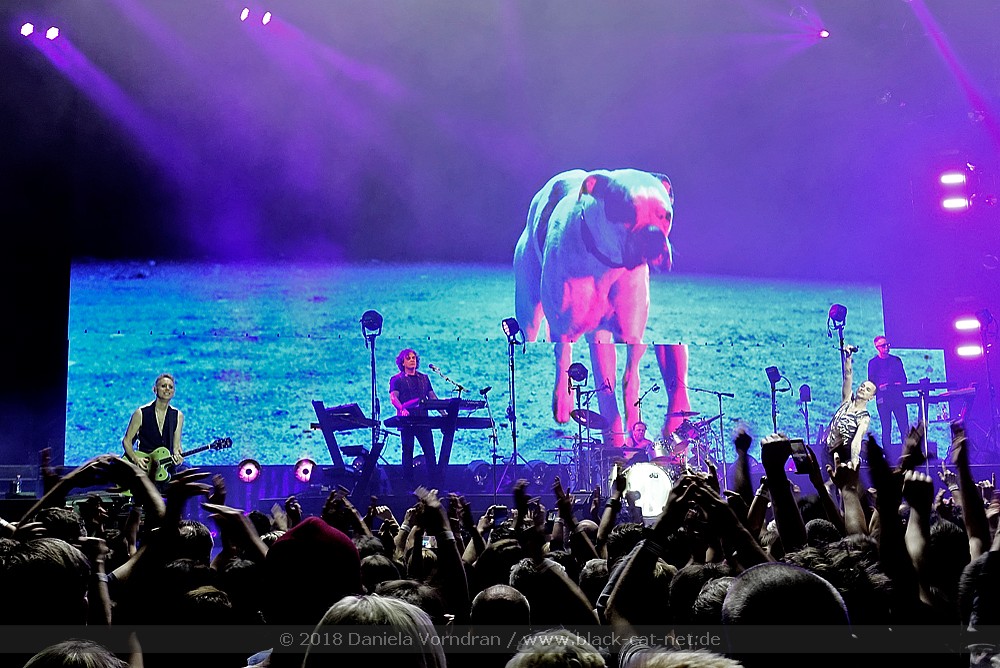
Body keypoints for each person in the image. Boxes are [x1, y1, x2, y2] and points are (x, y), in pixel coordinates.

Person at [389, 349, 439, 484]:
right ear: (402, 362)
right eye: (408, 358)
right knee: (407, 452)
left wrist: (444, 414)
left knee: (430, 452)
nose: (412, 360)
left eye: (414, 358)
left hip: (423, 420)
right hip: (407, 421)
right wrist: (401, 409)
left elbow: (432, 397)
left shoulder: (424, 378)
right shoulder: (396, 379)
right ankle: (408, 485)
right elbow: (393, 397)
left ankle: (435, 484)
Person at [121, 373, 184, 472]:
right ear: (155, 389)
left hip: (164, 467)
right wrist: (136, 459)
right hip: (144, 466)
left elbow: (176, 447)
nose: (167, 389)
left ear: (174, 392)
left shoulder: (178, 416)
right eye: (163, 386)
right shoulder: (140, 413)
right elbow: (127, 441)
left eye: (170, 387)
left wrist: (178, 457)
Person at [826, 347, 875, 467]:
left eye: (867, 389)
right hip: (826, 452)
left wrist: (854, 463)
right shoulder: (847, 401)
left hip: (842, 457)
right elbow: (847, 376)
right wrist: (848, 357)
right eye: (862, 386)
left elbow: (857, 440)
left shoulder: (864, 418)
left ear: (871, 397)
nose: (863, 389)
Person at [867, 335, 909, 452]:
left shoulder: (896, 360)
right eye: (883, 345)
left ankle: (907, 453)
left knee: (904, 427)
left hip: (897, 397)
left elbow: (903, 379)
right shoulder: (873, 363)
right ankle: (888, 455)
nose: (886, 347)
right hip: (883, 400)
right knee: (886, 428)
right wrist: (881, 386)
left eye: (887, 344)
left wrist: (897, 384)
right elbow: (872, 382)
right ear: (877, 347)